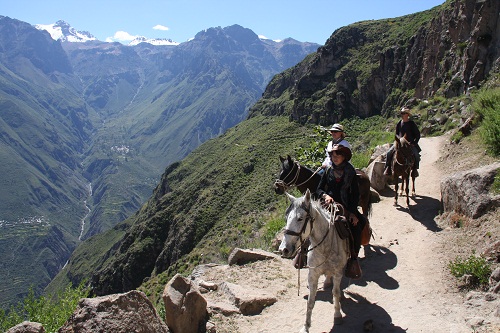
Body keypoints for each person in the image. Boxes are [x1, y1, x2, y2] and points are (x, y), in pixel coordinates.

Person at [316, 144, 366, 279]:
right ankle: (303, 253)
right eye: (333, 155)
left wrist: (352, 212)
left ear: (344, 157)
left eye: (338, 155)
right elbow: (319, 189)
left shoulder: (350, 171)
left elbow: (355, 194)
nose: (335, 158)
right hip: (328, 204)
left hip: (345, 205)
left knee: (357, 226)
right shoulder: (328, 170)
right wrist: (325, 196)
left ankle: (353, 258)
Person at [383, 107, 421, 177]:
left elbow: (418, 135)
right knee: (389, 153)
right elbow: (397, 134)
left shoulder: (412, 124)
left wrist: (414, 143)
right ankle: (388, 168)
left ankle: (414, 170)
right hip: (400, 143)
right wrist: (398, 140)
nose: (402, 115)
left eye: (403, 113)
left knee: (416, 155)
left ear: (407, 114)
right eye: (401, 113)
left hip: (410, 144)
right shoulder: (399, 123)